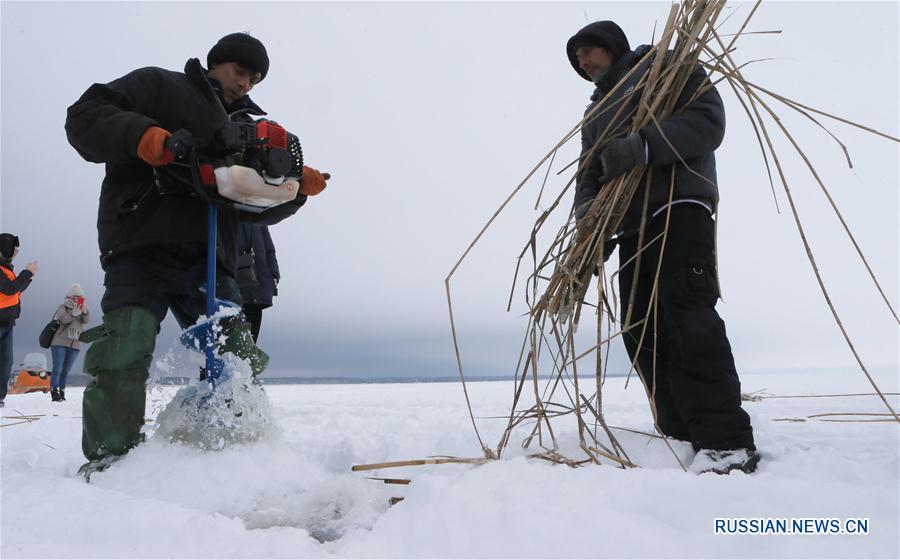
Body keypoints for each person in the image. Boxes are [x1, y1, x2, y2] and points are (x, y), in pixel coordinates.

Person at [65, 32, 328, 476]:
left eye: (254, 79)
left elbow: (250, 210)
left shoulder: (252, 128)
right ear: (216, 62)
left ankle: (235, 452)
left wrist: (293, 190)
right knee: (123, 350)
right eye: (239, 71)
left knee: (235, 359)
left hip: (210, 255)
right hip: (141, 242)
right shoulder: (159, 86)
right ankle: (113, 460)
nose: (245, 84)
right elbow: (85, 117)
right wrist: (144, 136)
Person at [566, 21, 758, 474]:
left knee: (688, 318)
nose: (583, 62)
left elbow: (709, 123)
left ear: (612, 46)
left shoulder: (667, 69)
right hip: (631, 230)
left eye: (588, 51)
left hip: (679, 207)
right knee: (639, 329)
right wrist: (589, 220)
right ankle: (679, 434)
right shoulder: (596, 113)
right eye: (577, 59)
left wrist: (641, 147)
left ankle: (726, 442)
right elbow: (589, 175)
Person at [0, 234, 38, 408]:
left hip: (7, 323)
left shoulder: (6, 269)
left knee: (6, 361)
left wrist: (28, 277)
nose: (16, 252)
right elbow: (10, 289)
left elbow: (15, 291)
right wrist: (27, 272)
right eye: (14, 249)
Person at [237, 223, 280, 343]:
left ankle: (244, 361)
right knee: (233, 346)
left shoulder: (258, 219)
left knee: (249, 346)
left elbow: (270, 250)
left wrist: (274, 273)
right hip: (234, 292)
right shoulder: (226, 216)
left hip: (257, 291)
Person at [49, 284, 91, 402]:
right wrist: (74, 312)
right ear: (69, 297)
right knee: (58, 368)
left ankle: (62, 391)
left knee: (66, 370)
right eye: (74, 297)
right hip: (59, 343)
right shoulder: (62, 307)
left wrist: (85, 312)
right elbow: (64, 320)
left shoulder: (82, 308)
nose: (76, 300)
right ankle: (54, 392)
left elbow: (86, 321)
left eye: (79, 297)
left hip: (75, 344)